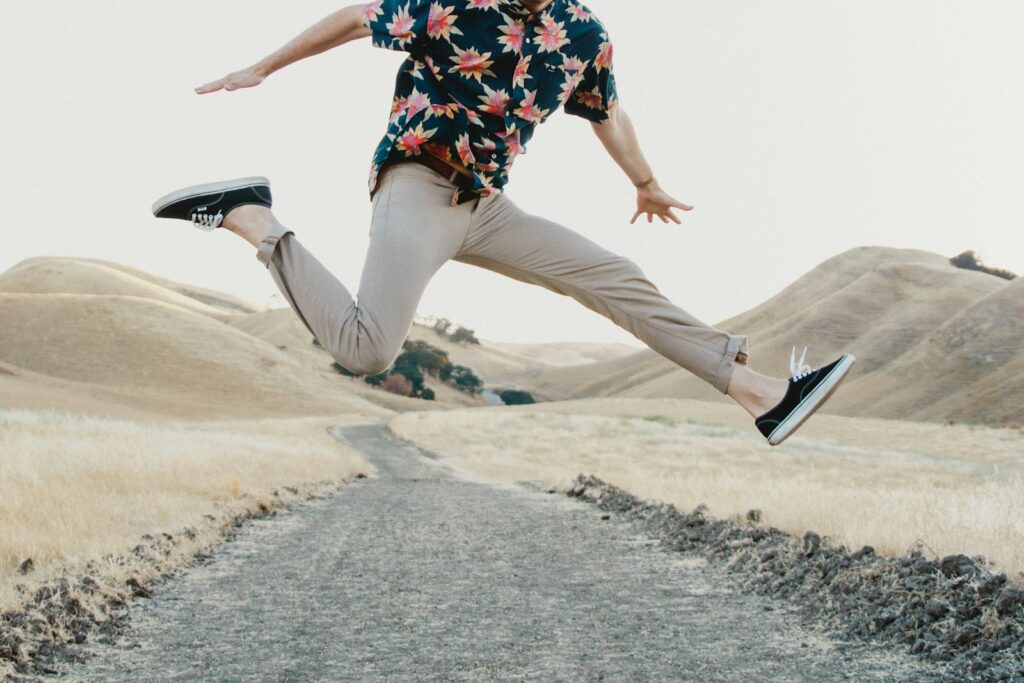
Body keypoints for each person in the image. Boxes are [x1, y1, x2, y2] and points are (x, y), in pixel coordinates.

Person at [151, 0, 855, 445]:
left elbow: (608, 114)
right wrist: (264, 67)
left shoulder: (583, 34)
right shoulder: (457, 7)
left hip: (486, 208)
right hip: (417, 187)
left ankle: (762, 394)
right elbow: (356, 17)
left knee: (613, 276)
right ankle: (252, 216)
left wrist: (645, 183)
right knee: (368, 350)